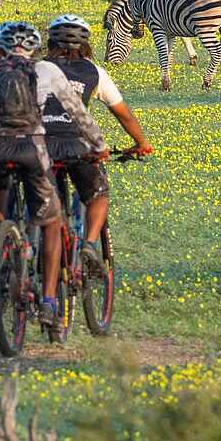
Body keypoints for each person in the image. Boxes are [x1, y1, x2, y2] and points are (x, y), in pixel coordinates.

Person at [0, 21, 99, 328]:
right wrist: (99, 145)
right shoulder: (47, 70)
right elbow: (79, 114)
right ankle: (49, 301)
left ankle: (4, 248)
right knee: (52, 222)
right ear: (34, 48)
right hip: (32, 150)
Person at [42, 14, 152, 260]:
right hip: (78, 146)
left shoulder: (36, 69)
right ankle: (90, 246)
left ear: (50, 44)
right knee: (98, 195)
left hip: (39, 146)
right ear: (86, 45)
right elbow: (123, 114)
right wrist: (141, 143)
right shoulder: (94, 72)